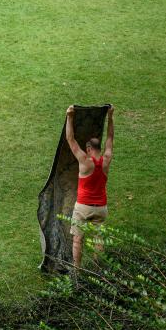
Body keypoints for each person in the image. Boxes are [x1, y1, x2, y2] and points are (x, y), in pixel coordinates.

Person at [65, 104, 114, 269]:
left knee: (78, 239)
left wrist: (70, 116)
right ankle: (98, 270)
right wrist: (110, 117)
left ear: (88, 149)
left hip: (83, 207)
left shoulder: (85, 161)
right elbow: (110, 139)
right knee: (98, 239)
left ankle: (77, 271)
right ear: (99, 148)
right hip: (101, 208)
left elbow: (70, 140)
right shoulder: (106, 160)